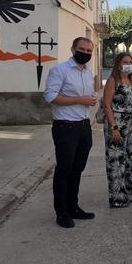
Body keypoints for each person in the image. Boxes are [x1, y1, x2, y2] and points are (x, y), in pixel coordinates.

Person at [43, 37, 97, 228]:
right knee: (64, 170)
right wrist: (80, 100)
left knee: (77, 169)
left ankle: (73, 206)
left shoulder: (87, 73)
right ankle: (62, 212)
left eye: (89, 51)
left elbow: (86, 98)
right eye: (82, 49)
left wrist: (89, 100)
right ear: (73, 49)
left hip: (83, 126)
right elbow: (50, 96)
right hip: (65, 127)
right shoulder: (60, 70)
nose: (86, 53)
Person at [103, 52, 132, 207]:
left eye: (130, 61)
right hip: (116, 121)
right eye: (125, 61)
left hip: (131, 122)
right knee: (117, 160)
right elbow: (106, 105)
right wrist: (114, 128)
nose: (129, 64)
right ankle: (118, 197)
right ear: (118, 64)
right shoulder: (113, 80)